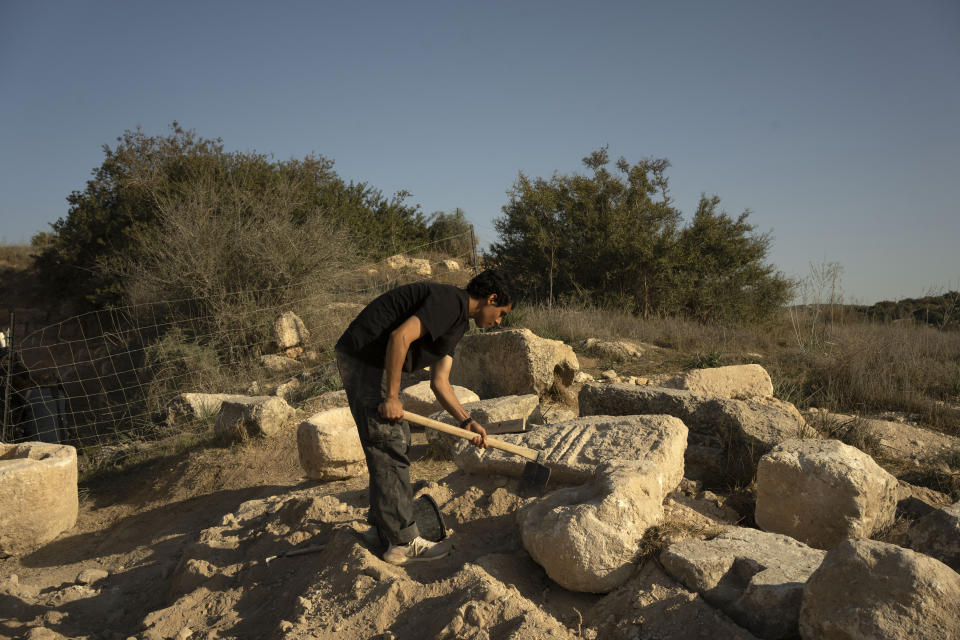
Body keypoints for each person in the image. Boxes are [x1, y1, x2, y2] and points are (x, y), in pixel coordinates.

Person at [334, 270, 514, 565]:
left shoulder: (457, 324)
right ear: (491, 299)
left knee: (397, 439)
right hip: (366, 358)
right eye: (501, 314)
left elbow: (440, 382)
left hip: (369, 361)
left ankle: (384, 530)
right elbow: (400, 336)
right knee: (388, 442)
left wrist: (466, 422)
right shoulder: (449, 303)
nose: (498, 322)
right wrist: (392, 397)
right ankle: (401, 542)